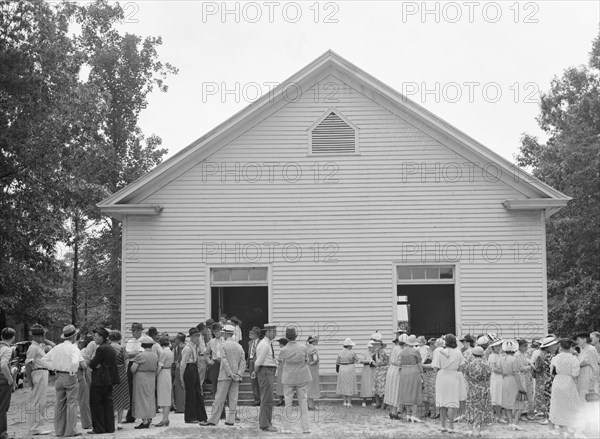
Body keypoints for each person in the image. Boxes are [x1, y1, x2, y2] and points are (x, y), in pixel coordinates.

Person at [42, 324, 87, 437]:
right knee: (71, 404)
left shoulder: (57, 347)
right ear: (74, 336)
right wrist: (72, 372)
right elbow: (74, 362)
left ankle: (59, 431)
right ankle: (70, 431)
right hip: (70, 376)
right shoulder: (74, 348)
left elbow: (44, 360)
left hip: (59, 376)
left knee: (60, 404)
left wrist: (54, 368)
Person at [201, 324, 245, 426]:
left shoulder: (223, 345)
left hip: (225, 375)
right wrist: (239, 374)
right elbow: (243, 362)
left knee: (219, 398)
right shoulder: (239, 346)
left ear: (225, 334)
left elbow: (224, 361)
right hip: (236, 376)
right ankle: (231, 420)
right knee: (233, 398)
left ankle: (213, 420)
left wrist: (230, 373)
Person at [276, 327, 311, 434]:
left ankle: (287, 428)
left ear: (287, 337)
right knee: (303, 401)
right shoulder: (303, 347)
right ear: (296, 336)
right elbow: (307, 360)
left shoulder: (283, 350)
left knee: (288, 402)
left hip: (288, 377)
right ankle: (305, 428)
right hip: (301, 376)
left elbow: (280, 361)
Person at [548, 338, 583, 437]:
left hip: (558, 381)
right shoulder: (573, 359)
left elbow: (552, 372)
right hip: (569, 382)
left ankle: (563, 429)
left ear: (561, 347)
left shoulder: (555, 358)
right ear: (571, 347)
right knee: (571, 405)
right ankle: (569, 428)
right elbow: (575, 374)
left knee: (558, 405)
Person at [88, 327, 119, 434]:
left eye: (95, 336)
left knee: (96, 404)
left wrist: (92, 362)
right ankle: (109, 427)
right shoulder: (110, 347)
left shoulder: (101, 349)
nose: (94, 338)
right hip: (109, 379)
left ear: (101, 337)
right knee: (108, 404)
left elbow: (92, 364)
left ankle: (99, 428)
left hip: (99, 380)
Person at [432, 333, 465, 434]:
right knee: (452, 402)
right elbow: (461, 368)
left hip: (442, 376)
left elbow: (435, 368)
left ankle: (442, 426)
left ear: (445, 342)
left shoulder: (440, 352)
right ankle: (451, 426)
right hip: (453, 376)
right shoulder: (459, 353)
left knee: (442, 402)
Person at [24, 324, 52, 436]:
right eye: (42, 335)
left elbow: (53, 345)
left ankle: (39, 426)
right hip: (38, 372)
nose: (44, 337)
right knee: (36, 401)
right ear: (36, 336)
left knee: (41, 401)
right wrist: (30, 380)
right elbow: (28, 365)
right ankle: (35, 428)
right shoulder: (33, 348)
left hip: (43, 372)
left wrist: (46, 340)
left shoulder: (39, 346)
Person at [253, 323, 278, 432]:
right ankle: (265, 424)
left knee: (267, 398)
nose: (276, 333)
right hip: (265, 371)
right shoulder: (265, 344)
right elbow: (259, 360)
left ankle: (266, 422)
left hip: (268, 370)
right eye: (274, 331)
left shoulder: (267, 343)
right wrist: (255, 371)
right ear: (268, 332)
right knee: (267, 399)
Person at [131, 335, 159, 429]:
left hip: (141, 377)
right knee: (150, 397)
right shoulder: (155, 355)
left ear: (143, 345)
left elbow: (133, 369)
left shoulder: (140, 355)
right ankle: (150, 417)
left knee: (141, 398)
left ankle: (145, 420)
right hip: (151, 377)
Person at [180, 328, 207, 424]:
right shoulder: (187, 348)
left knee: (197, 392)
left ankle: (200, 415)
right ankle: (190, 417)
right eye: (195, 336)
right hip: (189, 368)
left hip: (194, 368)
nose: (197, 338)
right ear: (191, 337)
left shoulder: (195, 347)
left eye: (198, 336)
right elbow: (183, 363)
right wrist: (181, 377)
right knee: (191, 394)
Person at [464, 346, 492, 437]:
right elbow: (488, 378)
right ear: (482, 354)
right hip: (483, 388)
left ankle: (470, 429)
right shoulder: (486, 365)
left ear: (473, 354)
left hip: (472, 388)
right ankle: (479, 429)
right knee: (482, 408)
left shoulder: (469, 365)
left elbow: (467, 377)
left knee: (471, 408)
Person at [499, 339, 525, 431]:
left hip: (505, 380)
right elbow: (516, 374)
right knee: (518, 401)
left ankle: (510, 422)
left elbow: (501, 371)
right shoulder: (514, 359)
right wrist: (521, 386)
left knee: (507, 402)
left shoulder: (501, 359)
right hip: (513, 380)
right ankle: (515, 422)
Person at [398, 335, 424, 422]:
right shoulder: (415, 351)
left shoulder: (402, 352)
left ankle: (408, 413)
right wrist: (422, 373)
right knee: (415, 391)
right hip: (414, 371)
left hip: (404, 372)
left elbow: (399, 364)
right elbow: (420, 363)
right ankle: (414, 414)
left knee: (406, 392)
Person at [534, 335, 559, 424]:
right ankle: (551, 418)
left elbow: (538, 367)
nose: (556, 346)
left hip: (547, 379)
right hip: (552, 379)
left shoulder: (542, 355)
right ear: (549, 346)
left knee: (549, 400)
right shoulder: (552, 356)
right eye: (554, 345)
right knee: (551, 400)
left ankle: (549, 418)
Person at [108, 330, 129, 430]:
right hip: (121, 372)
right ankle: (120, 422)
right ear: (119, 339)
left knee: (110, 396)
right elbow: (127, 363)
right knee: (121, 397)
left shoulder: (108, 348)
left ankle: (111, 420)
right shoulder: (122, 348)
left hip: (110, 373)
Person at [124, 322, 144, 423]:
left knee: (139, 390)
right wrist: (134, 353)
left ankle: (143, 414)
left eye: (134, 330)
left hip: (140, 365)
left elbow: (141, 354)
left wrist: (133, 353)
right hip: (131, 365)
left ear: (140, 330)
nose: (132, 333)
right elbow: (127, 354)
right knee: (130, 390)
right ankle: (130, 415)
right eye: (132, 330)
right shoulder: (131, 341)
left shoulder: (144, 340)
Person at [0, 328, 16, 439]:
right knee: (2, 407)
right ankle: (2, 433)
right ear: (13, 337)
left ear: (1, 336)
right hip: (2, 380)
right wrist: (10, 379)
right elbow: (3, 365)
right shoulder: (7, 349)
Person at [574, 332, 599, 403]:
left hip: (589, 380)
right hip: (582, 380)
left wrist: (592, 385)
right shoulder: (583, 349)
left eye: (578, 340)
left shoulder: (591, 349)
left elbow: (595, 368)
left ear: (584, 339)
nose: (577, 342)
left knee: (590, 402)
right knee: (583, 401)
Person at [156, 335, 174, 427]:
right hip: (168, 372)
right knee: (166, 395)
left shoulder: (164, 353)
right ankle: (165, 418)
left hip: (163, 373)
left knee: (163, 396)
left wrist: (155, 375)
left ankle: (164, 418)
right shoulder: (170, 352)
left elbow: (159, 366)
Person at [515, 339, 535, 421]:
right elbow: (520, 368)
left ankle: (527, 412)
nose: (526, 348)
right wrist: (531, 367)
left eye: (527, 346)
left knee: (529, 394)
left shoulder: (524, 354)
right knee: (523, 394)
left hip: (527, 376)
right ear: (519, 346)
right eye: (524, 346)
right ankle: (522, 413)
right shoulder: (517, 355)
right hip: (522, 376)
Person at [384, 335, 403, 419]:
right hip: (396, 370)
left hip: (390, 369)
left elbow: (389, 359)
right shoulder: (401, 350)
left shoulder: (393, 348)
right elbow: (399, 363)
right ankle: (394, 412)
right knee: (396, 390)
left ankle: (391, 410)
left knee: (390, 390)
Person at [336, 338, 359, 407]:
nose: (352, 347)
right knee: (350, 384)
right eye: (351, 345)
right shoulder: (352, 352)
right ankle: (349, 402)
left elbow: (337, 362)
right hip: (350, 367)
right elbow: (357, 360)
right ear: (349, 346)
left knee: (343, 383)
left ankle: (344, 402)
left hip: (342, 368)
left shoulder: (340, 352)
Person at [205, 322, 225, 399]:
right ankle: (216, 399)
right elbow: (206, 353)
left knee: (224, 382)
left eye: (217, 331)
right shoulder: (211, 342)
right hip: (215, 362)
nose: (216, 333)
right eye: (214, 331)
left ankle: (224, 399)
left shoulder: (225, 340)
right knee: (215, 382)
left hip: (224, 362)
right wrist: (209, 361)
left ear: (221, 330)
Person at [488, 338, 504, 422]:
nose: (498, 347)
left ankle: (499, 415)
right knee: (496, 396)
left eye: (499, 345)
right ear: (493, 347)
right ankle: (497, 416)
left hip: (501, 378)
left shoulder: (501, 355)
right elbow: (493, 368)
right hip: (496, 378)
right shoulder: (492, 356)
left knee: (500, 396)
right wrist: (503, 372)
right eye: (496, 346)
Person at [372, 333, 389, 409]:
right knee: (376, 386)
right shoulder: (377, 352)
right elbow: (376, 363)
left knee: (382, 387)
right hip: (378, 369)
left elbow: (379, 362)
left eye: (377, 345)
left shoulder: (381, 352)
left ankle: (383, 403)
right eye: (375, 345)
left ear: (381, 345)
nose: (376, 346)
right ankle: (378, 402)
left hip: (383, 370)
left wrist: (375, 356)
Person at [171, 332, 186, 413]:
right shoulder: (178, 346)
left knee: (180, 387)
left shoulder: (182, 347)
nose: (175, 340)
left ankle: (181, 407)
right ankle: (181, 406)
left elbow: (180, 358)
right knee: (178, 387)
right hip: (179, 367)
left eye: (176, 339)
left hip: (179, 367)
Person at [247, 326, 262, 406]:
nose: (250, 334)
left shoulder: (261, 342)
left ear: (256, 334)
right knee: (253, 382)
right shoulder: (250, 343)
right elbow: (249, 353)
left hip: (257, 361)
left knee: (259, 381)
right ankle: (256, 399)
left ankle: (261, 399)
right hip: (251, 361)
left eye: (252, 333)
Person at [306, 335, 320, 410]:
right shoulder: (313, 349)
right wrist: (311, 363)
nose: (317, 342)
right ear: (313, 341)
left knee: (308, 385)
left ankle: (308, 403)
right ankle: (311, 405)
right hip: (312, 369)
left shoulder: (306, 348)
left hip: (306, 368)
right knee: (312, 386)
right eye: (316, 341)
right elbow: (315, 359)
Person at [360, 341, 376, 407]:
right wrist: (368, 361)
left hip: (373, 370)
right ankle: (364, 401)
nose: (371, 348)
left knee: (373, 384)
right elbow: (361, 361)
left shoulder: (376, 353)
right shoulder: (365, 353)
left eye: (372, 347)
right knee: (365, 384)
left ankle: (373, 400)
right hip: (366, 369)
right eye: (370, 347)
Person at [195, 323, 208, 395]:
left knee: (202, 376)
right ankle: (199, 393)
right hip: (201, 358)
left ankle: (200, 391)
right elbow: (195, 346)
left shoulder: (202, 337)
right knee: (200, 377)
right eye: (205, 329)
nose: (206, 331)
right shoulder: (199, 337)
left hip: (204, 357)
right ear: (202, 329)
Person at [275, 337, 288, 406]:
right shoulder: (286, 350)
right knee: (282, 384)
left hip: (283, 367)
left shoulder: (283, 350)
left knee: (281, 384)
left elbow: (282, 359)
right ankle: (284, 399)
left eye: (280, 343)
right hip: (283, 368)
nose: (279, 345)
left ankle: (281, 400)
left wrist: (278, 359)